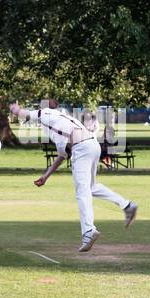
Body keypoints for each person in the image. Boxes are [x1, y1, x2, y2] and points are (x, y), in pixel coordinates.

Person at [10, 101, 138, 252]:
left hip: (82, 148)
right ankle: (127, 205)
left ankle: (89, 231)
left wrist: (15, 110)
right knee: (91, 187)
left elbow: (26, 114)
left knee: (82, 192)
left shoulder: (45, 113)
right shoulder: (58, 121)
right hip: (92, 145)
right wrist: (46, 176)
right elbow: (62, 156)